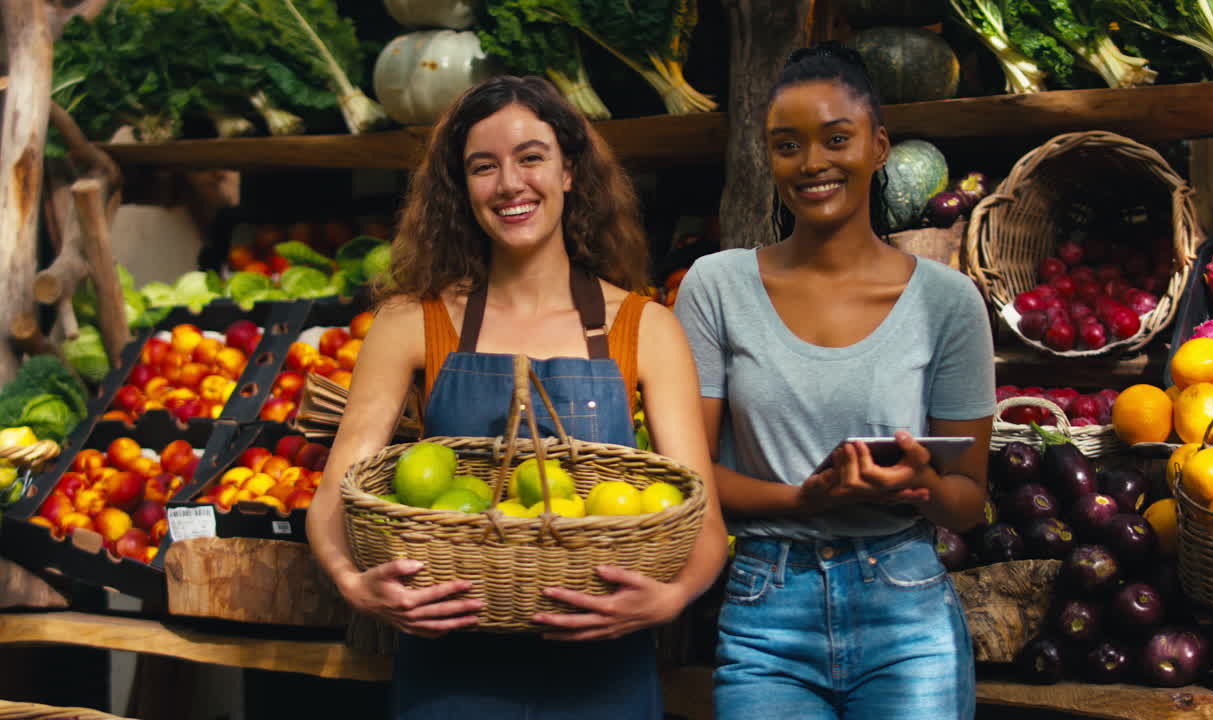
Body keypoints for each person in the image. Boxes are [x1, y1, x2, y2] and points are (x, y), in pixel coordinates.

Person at [307, 74, 727, 719]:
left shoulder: (644, 327)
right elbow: (336, 494)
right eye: (484, 166)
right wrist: (353, 583)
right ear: (460, 187)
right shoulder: (412, 323)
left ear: (569, 172)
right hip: (450, 670)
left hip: (603, 671)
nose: (509, 184)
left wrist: (668, 603)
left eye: (531, 157)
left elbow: (703, 523)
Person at [673, 44, 994, 720]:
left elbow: (966, 503)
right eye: (787, 145)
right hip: (767, 611)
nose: (812, 162)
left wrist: (918, 483)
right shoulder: (716, 287)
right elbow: (692, 477)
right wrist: (805, 497)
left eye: (836, 138)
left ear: (879, 146)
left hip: (906, 607)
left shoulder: (949, 302)